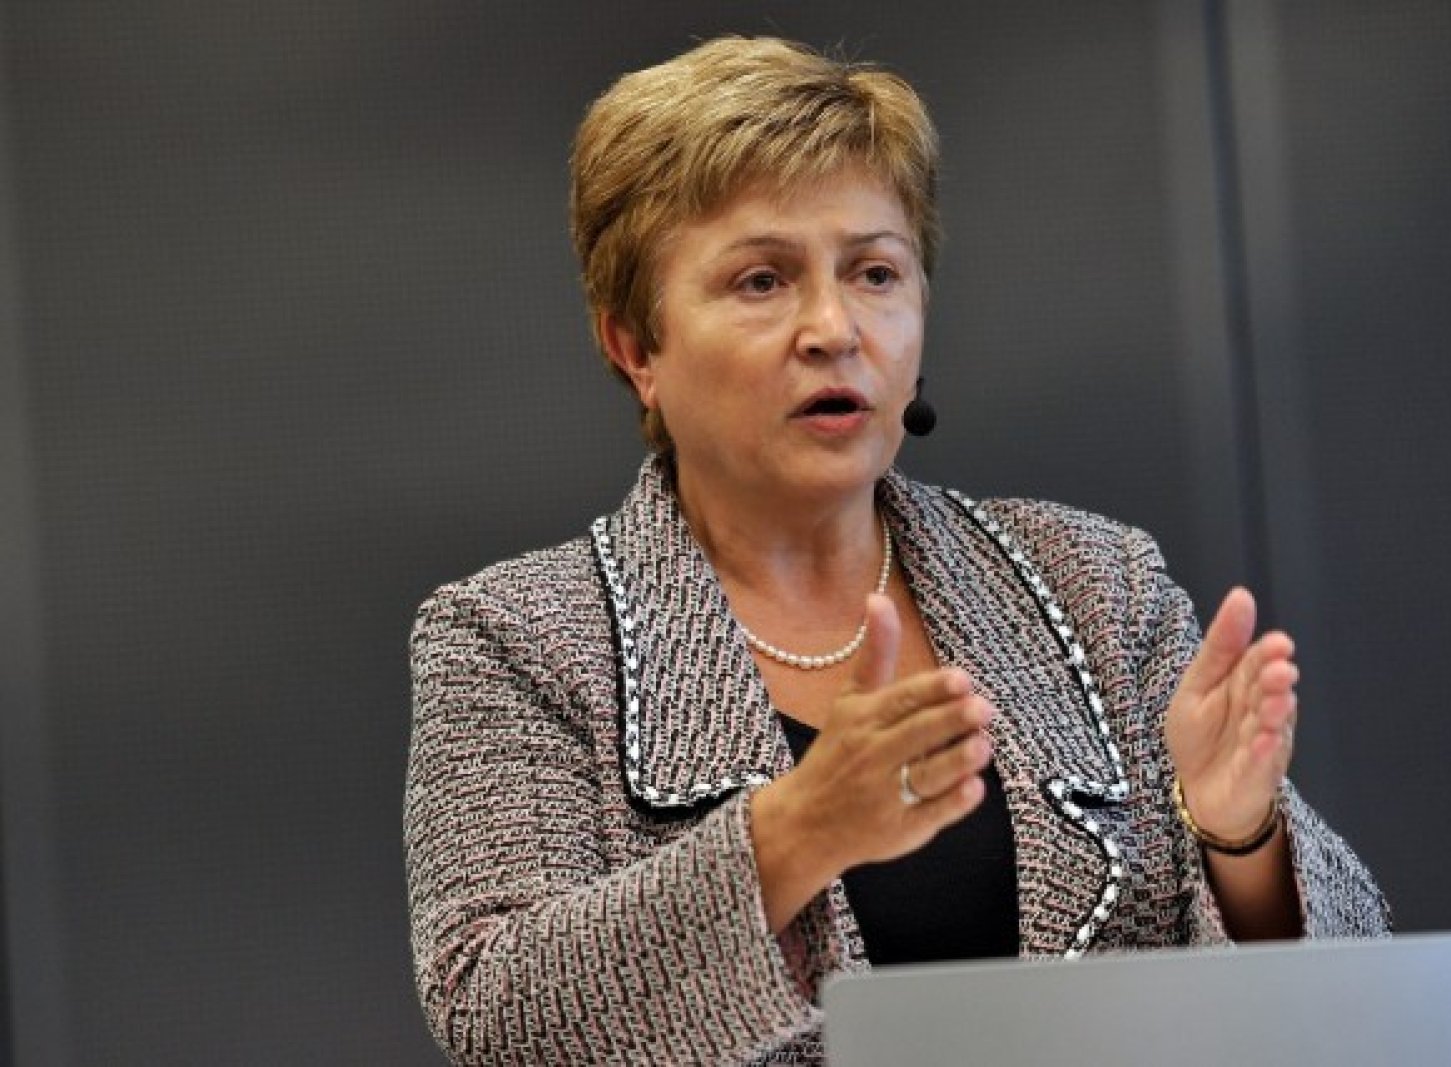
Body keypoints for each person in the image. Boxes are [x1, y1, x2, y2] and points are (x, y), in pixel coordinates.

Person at [404, 35, 1388, 1066]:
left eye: (874, 272)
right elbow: (496, 1013)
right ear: (635, 346)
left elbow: (1347, 1001)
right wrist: (796, 834)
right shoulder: (514, 638)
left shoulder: (1097, 584)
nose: (833, 328)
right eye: (761, 280)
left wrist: (1239, 838)